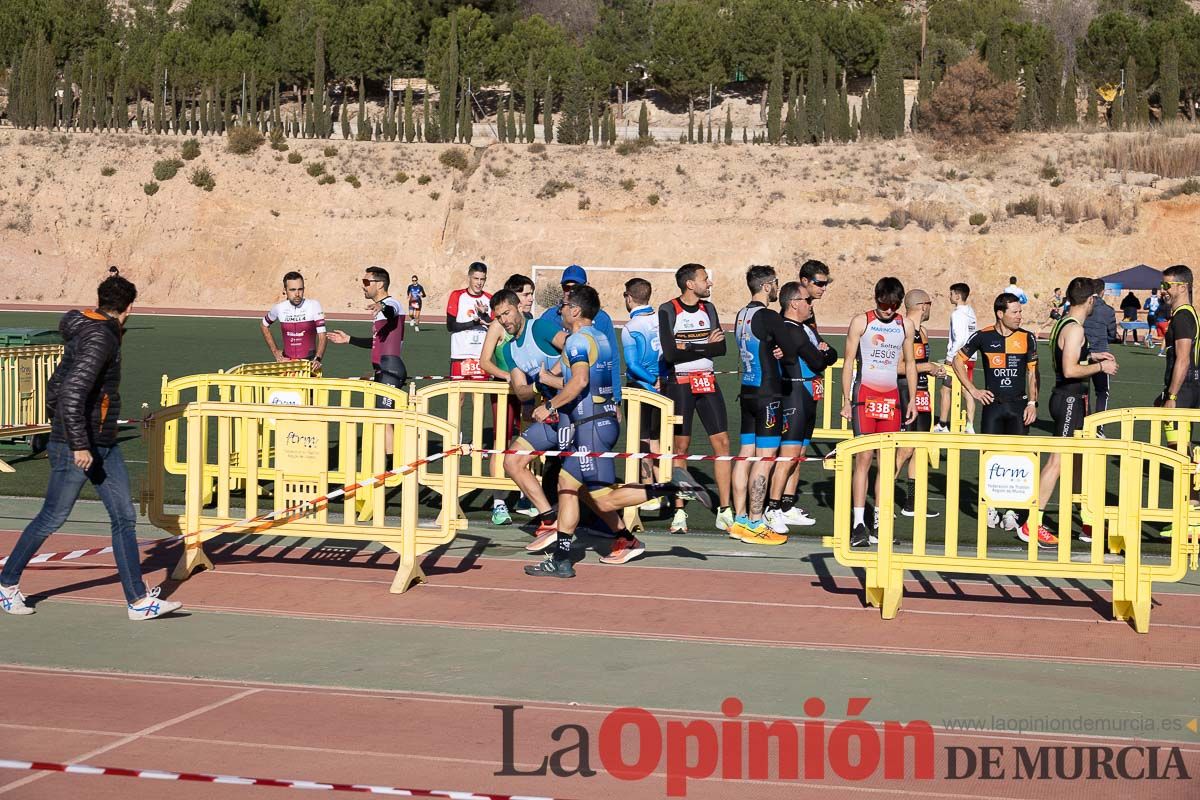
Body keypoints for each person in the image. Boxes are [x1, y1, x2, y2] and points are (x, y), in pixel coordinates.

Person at [0, 275, 182, 620]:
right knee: (52, 517)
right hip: (78, 446)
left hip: (102, 443)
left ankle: (138, 601)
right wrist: (79, 444)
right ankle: (6, 583)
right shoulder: (101, 337)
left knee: (124, 517)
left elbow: (65, 388)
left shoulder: (90, 328)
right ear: (129, 308)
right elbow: (71, 393)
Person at [525, 286, 691, 576]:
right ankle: (562, 559)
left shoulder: (576, 340)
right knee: (568, 486)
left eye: (564, 306)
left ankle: (670, 486)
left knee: (603, 499)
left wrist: (549, 406)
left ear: (576, 311)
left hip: (589, 427)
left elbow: (578, 382)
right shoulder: (600, 337)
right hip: (601, 421)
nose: (560, 311)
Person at [1034, 277, 1117, 546]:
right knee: (1057, 462)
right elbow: (1069, 369)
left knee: (1080, 463)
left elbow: (1069, 357)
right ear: (1091, 300)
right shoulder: (1075, 329)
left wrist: (1092, 357)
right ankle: (1032, 522)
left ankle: (1088, 523)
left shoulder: (1065, 323)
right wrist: (1099, 368)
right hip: (1069, 399)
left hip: (1073, 398)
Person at [952, 293, 1039, 534]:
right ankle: (989, 506)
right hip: (993, 406)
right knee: (989, 458)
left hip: (1019, 406)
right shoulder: (983, 336)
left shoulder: (1027, 338)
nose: (1019, 316)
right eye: (1015, 312)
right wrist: (973, 390)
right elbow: (957, 362)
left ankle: (1013, 510)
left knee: (1020, 459)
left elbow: (1032, 373)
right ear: (1000, 314)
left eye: (1020, 312)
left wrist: (1032, 403)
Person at [841, 277, 918, 548]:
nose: (888, 310)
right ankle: (858, 523)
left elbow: (910, 364)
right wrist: (845, 399)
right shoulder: (861, 322)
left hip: (891, 399)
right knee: (863, 459)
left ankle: (879, 522)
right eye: (884, 304)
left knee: (886, 463)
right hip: (865, 396)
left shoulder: (904, 325)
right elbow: (849, 362)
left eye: (894, 305)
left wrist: (912, 400)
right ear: (877, 300)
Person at [659, 263, 734, 533]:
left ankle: (725, 510)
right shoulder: (668, 309)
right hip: (679, 384)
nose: (709, 283)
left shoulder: (708, 309)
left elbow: (722, 347)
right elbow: (670, 354)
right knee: (681, 446)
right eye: (705, 279)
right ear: (690, 284)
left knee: (723, 443)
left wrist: (688, 345)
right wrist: (704, 346)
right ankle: (679, 512)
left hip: (707, 380)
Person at [730, 266, 800, 545]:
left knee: (745, 453)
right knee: (765, 457)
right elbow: (791, 350)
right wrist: (782, 349)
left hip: (747, 389)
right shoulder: (769, 316)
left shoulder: (741, 314)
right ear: (768, 285)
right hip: (768, 393)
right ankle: (757, 522)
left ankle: (740, 519)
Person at [490, 289, 561, 545]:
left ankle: (623, 534)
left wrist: (551, 375)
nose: (504, 321)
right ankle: (549, 519)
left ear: (518, 307)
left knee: (582, 485)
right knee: (512, 461)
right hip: (549, 416)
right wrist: (533, 388)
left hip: (575, 411)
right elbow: (520, 391)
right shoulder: (509, 350)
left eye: (507, 313)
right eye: (499, 318)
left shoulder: (540, 328)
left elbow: (575, 347)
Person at [766, 281, 836, 532]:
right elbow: (818, 359)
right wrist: (823, 354)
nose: (811, 305)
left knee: (800, 455)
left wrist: (824, 354)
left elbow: (831, 354)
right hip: (795, 391)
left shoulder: (805, 328)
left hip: (809, 392)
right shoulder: (789, 330)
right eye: (807, 300)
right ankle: (772, 508)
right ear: (795, 303)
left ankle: (786, 504)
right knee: (789, 454)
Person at [327, 266, 407, 453]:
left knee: (384, 419)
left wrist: (383, 306)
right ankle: (390, 465)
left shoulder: (392, 303)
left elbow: (392, 310)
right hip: (383, 370)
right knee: (383, 420)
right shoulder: (381, 310)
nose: (363, 286)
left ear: (379, 284)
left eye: (366, 282)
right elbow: (376, 342)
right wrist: (349, 339)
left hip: (391, 370)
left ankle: (392, 471)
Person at [481, 274, 539, 520]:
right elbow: (484, 361)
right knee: (501, 444)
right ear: (514, 298)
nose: (530, 299)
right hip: (504, 392)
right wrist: (507, 375)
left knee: (529, 442)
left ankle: (527, 495)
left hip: (527, 391)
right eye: (526, 294)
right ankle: (499, 502)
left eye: (531, 294)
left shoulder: (530, 322)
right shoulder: (498, 325)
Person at [894, 289, 945, 518]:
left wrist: (933, 369)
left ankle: (912, 501)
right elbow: (898, 367)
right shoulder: (903, 329)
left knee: (920, 448)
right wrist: (927, 367)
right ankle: (882, 500)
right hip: (905, 393)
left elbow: (919, 364)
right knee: (905, 449)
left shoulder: (922, 331)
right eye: (930, 304)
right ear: (923, 305)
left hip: (922, 393)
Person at [621, 278, 664, 494]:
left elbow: (632, 364)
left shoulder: (630, 328)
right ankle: (664, 486)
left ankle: (649, 490)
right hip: (663, 386)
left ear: (629, 298)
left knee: (642, 439)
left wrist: (650, 380)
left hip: (640, 387)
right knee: (658, 438)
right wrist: (659, 380)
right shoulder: (663, 320)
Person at [261, 271, 326, 370]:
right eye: (292, 290)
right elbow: (264, 325)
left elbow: (322, 336)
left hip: (309, 365)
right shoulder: (279, 308)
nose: (297, 294)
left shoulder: (314, 305)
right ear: (285, 290)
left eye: (300, 289)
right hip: (286, 365)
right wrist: (276, 353)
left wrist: (318, 358)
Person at [935, 283, 977, 434]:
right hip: (971, 356)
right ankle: (970, 425)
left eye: (951, 293)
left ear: (958, 296)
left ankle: (942, 424)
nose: (949, 296)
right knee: (968, 388)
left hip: (958, 357)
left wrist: (949, 357)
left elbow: (958, 339)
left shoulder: (957, 314)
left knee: (945, 389)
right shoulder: (970, 311)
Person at [1158, 265, 1200, 410]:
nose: (1163, 291)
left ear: (1182, 288)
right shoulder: (1187, 313)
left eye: (1167, 285)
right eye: (1162, 285)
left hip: (1182, 391)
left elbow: (1183, 359)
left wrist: (1172, 396)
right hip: (1187, 388)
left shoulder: (1182, 317)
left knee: (1176, 432)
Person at [446, 261, 492, 380]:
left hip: (481, 357)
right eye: (476, 278)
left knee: (479, 396)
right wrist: (474, 323)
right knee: (457, 397)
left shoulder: (489, 299)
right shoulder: (457, 296)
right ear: (469, 277)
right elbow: (451, 326)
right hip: (460, 355)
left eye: (482, 279)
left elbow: (493, 326)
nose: (479, 283)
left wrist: (484, 314)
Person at [1084, 279, 1118, 423]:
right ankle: (1098, 427)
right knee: (1102, 392)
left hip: (1083, 353)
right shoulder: (1108, 310)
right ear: (1102, 291)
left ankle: (1083, 423)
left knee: (1084, 392)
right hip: (1102, 354)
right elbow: (1112, 334)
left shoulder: (1083, 308)